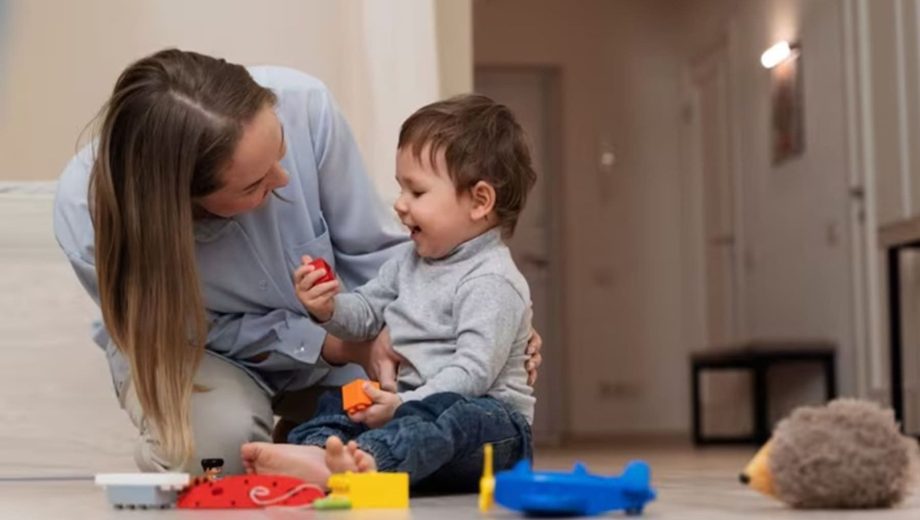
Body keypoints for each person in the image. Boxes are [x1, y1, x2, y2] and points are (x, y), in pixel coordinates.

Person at [52, 48, 543, 475]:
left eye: (281, 152)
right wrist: (333, 341)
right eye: (254, 184)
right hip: (196, 348)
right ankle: (293, 448)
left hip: (359, 353)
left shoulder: (304, 104)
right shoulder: (86, 216)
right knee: (215, 459)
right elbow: (179, 329)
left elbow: (378, 258)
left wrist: (473, 326)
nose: (284, 179)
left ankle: (310, 448)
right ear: (184, 201)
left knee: (384, 414)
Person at [241, 94, 536, 492]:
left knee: (454, 417)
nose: (399, 205)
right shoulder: (409, 261)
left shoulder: (492, 280)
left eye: (417, 192)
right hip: (410, 410)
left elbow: (473, 373)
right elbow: (365, 314)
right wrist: (328, 308)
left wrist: (403, 406)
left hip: (492, 429)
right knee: (340, 402)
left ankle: (368, 462)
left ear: (479, 201)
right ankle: (319, 451)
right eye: (401, 189)